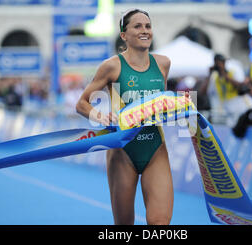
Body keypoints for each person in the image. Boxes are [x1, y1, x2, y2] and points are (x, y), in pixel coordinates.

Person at [76, 9, 173, 225]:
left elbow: (161, 103)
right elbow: (82, 104)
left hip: (155, 147)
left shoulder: (163, 64)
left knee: (160, 223)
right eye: (137, 26)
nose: (144, 30)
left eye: (147, 26)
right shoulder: (112, 66)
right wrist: (100, 116)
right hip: (122, 151)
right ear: (124, 35)